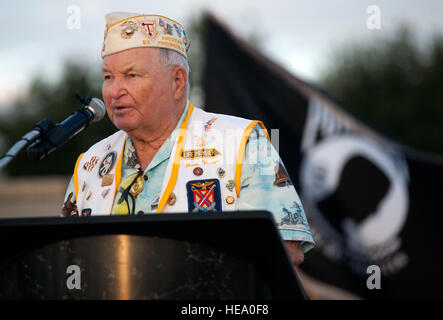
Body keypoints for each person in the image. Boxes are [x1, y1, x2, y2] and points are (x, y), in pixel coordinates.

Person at [62, 12, 314, 269]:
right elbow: (65, 258)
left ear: (177, 82)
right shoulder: (91, 163)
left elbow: (284, 251)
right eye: (108, 77)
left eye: (132, 75)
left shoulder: (243, 142)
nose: (115, 91)